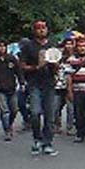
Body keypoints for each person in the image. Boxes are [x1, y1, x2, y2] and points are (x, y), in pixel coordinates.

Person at [19, 20, 61, 156]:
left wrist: (54, 65)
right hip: (34, 84)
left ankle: (47, 142)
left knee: (50, 115)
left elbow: (57, 65)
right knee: (35, 112)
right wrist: (36, 67)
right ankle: (37, 139)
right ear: (34, 30)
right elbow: (22, 65)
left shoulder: (52, 45)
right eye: (38, 28)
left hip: (49, 84)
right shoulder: (28, 46)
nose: (41, 30)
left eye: (44, 27)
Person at [0, 40, 22, 141]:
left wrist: (22, 82)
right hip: (0, 90)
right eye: (0, 46)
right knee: (4, 111)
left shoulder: (11, 59)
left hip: (11, 88)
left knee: (14, 109)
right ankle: (7, 130)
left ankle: (10, 124)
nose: (2, 48)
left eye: (4, 46)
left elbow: (18, 72)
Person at [54, 37, 76, 136]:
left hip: (71, 86)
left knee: (70, 109)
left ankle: (70, 127)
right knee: (56, 107)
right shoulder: (59, 57)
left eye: (70, 44)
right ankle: (57, 126)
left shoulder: (75, 58)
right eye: (67, 44)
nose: (68, 46)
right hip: (58, 86)